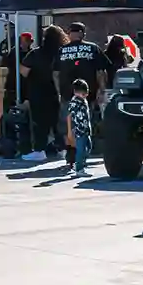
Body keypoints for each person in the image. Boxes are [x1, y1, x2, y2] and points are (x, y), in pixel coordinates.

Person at [57, 22, 108, 166]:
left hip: (67, 94)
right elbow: (101, 72)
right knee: (84, 126)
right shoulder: (92, 48)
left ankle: (71, 156)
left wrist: (58, 91)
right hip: (87, 95)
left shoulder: (62, 50)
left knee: (69, 126)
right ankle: (82, 156)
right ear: (83, 33)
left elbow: (55, 73)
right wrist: (102, 90)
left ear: (70, 34)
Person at [19, 25, 65, 162]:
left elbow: (24, 71)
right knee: (57, 122)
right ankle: (62, 148)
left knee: (39, 122)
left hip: (37, 91)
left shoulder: (36, 53)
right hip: (55, 92)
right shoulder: (61, 52)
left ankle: (40, 150)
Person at [65, 79, 93, 175]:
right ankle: (79, 168)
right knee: (81, 149)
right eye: (83, 93)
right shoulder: (74, 102)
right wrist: (69, 130)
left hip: (86, 129)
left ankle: (79, 164)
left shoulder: (83, 100)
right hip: (79, 130)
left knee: (88, 148)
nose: (85, 95)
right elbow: (69, 116)